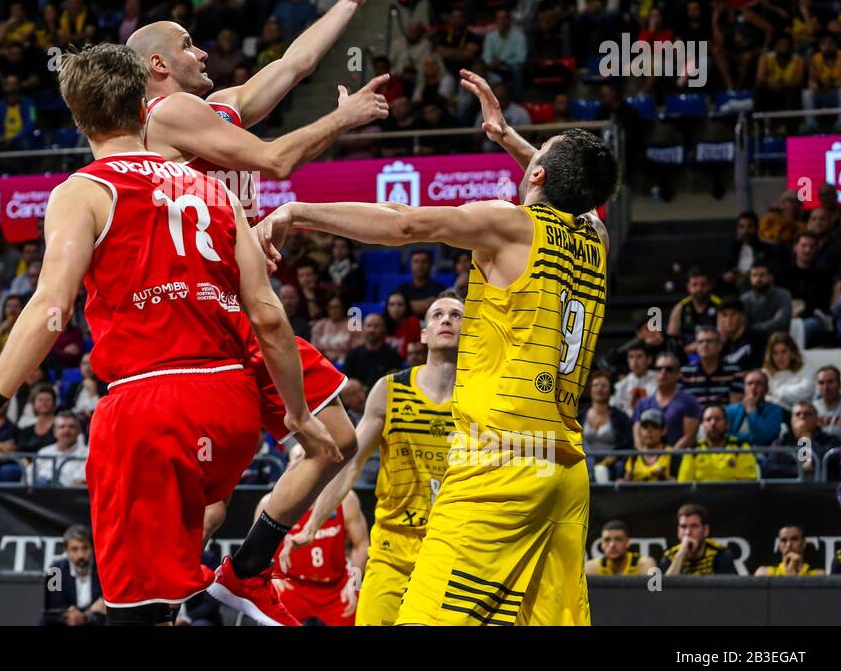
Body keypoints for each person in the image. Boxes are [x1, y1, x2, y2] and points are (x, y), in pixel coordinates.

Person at [0, 44, 339, 626]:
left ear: (78, 117)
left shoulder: (83, 190)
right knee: (174, 580)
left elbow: (51, 308)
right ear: (144, 104)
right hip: (232, 409)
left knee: (135, 613)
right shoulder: (216, 190)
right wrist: (296, 414)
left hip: (151, 407)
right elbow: (269, 316)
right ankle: (234, 579)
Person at [256, 69, 619, 625]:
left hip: (498, 464)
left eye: (534, 157)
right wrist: (507, 138)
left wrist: (299, 211)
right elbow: (575, 192)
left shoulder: (511, 224)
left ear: (537, 175)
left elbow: (403, 224)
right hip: (563, 471)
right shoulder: (596, 238)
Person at [132, 0, 387, 618]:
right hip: (205, 323)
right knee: (217, 480)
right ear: (159, 64)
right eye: (189, 45)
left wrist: (348, 2)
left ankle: (243, 570)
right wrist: (343, 116)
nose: (203, 53)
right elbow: (274, 162)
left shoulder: (215, 110)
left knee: (336, 442)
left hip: (239, 312)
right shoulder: (168, 113)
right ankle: (167, 591)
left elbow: (294, 64)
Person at [294, 293, 462, 625]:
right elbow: (349, 463)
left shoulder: (480, 401)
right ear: (424, 333)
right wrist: (314, 522)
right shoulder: (390, 390)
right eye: (438, 314)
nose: (446, 320)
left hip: (453, 550)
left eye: (456, 316)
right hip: (393, 548)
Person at [265, 443, 369, 626]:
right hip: (293, 585)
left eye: (309, 458)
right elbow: (258, 548)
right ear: (289, 466)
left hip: (335, 587)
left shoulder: (346, 499)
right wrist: (269, 577)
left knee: (357, 613)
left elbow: (361, 544)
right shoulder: (270, 502)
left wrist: (354, 585)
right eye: (297, 459)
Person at [632, 353, 701, 449]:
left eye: (669, 369)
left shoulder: (689, 402)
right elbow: (637, 435)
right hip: (647, 460)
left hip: (679, 459)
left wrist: (668, 458)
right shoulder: (642, 403)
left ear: (678, 374)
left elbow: (689, 437)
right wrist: (646, 458)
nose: (663, 372)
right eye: (659, 369)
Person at [675, 404, 760, 482]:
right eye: (708, 420)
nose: (713, 423)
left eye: (718, 419)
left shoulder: (741, 448)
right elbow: (684, 486)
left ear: (727, 424)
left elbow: (747, 485)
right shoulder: (693, 451)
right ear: (703, 425)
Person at [41, 525, 106, 626]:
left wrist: (86, 617)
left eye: (85, 548)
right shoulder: (54, 570)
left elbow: (103, 607)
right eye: (74, 549)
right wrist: (70, 613)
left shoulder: (103, 569)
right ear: (66, 551)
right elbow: (52, 608)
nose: (81, 555)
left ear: (93, 548)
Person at [764, 401, 841, 479]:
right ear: (791, 420)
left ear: (816, 420)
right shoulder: (781, 442)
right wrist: (800, 470)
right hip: (787, 489)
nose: (802, 417)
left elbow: (830, 463)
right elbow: (769, 469)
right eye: (798, 414)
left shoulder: (831, 440)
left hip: (821, 489)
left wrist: (807, 438)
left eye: (807, 414)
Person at [659, 504, 737, 575]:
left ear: (706, 530)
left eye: (694, 526)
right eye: (683, 527)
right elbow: (666, 589)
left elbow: (728, 589)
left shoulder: (720, 553)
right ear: (678, 530)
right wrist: (681, 555)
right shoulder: (670, 556)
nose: (687, 532)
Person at [725, 369, 787, 446]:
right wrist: (749, 439)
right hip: (733, 454)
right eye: (750, 383)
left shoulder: (775, 411)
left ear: (766, 389)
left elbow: (762, 439)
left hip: (762, 455)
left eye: (759, 383)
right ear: (744, 388)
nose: (753, 387)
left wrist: (751, 410)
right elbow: (724, 437)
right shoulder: (731, 410)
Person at [31, 410, 88, 488]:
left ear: (78, 431)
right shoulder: (44, 452)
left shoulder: (87, 454)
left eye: (71, 427)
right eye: (62, 427)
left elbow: (78, 483)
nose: (66, 430)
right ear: (55, 432)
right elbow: (28, 478)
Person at [619, 409, 678, 481]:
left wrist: (663, 477)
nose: (649, 431)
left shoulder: (673, 454)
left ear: (663, 431)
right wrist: (627, 480)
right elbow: (619, 483)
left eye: (654, 427)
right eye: (645, 427)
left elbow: (679, 486)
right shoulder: (632, 455)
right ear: (640, 431)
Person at [585, 521, 657, 576]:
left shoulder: (645, 564)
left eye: (618, 539)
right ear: (602, 544)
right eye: (607, 540)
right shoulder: (591, 568)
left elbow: (655, 593)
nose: (612, 545)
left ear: (627, 543)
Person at [812, 364, 841, 449]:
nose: (826, 387)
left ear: (840, 384)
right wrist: (806, 459)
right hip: (815, 458)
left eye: (830, 382)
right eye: (821, 383)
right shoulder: (809, 410)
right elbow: (803, 439)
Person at [754, 524, 823, 576]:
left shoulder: (817, 575)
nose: (789, 545)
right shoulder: (765, 573)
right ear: (779, 545)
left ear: (804, 543)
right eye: (784, 540)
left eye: (794, 539)